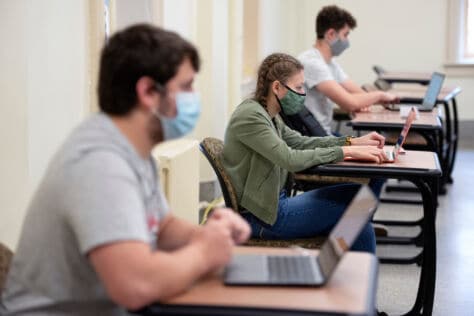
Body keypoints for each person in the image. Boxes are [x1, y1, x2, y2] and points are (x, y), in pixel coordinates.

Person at [0, 24, 250, 315]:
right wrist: (204, 253)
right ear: (147, 92)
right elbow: (135, 285)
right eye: (185, 86)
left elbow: (162, 226)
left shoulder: (131, 151)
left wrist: (205, 235)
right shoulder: (99, 163)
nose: (194, 97)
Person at [222, 53, 387, 254]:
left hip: (275, 206)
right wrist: (344, 152)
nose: (303, 93)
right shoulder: (251, 117)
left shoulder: (268, 115)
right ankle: (355, 274)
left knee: (358, 198)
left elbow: (301, 142)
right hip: (262, 218)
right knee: (357, 211)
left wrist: (351, 141)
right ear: (276, 87)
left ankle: (345, 271)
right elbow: (290, 159)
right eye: (299, 87)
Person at [298, 5, 398, 135]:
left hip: (324, 133)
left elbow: (358, 93)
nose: (347, 41)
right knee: (369, 147)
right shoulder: (311, 63)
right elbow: (350, 103)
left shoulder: (330, 63)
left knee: (368, 144)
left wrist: (383, 100)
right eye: (345, 35)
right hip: (316, 139)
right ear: (331, 34)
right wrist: (380, 95)